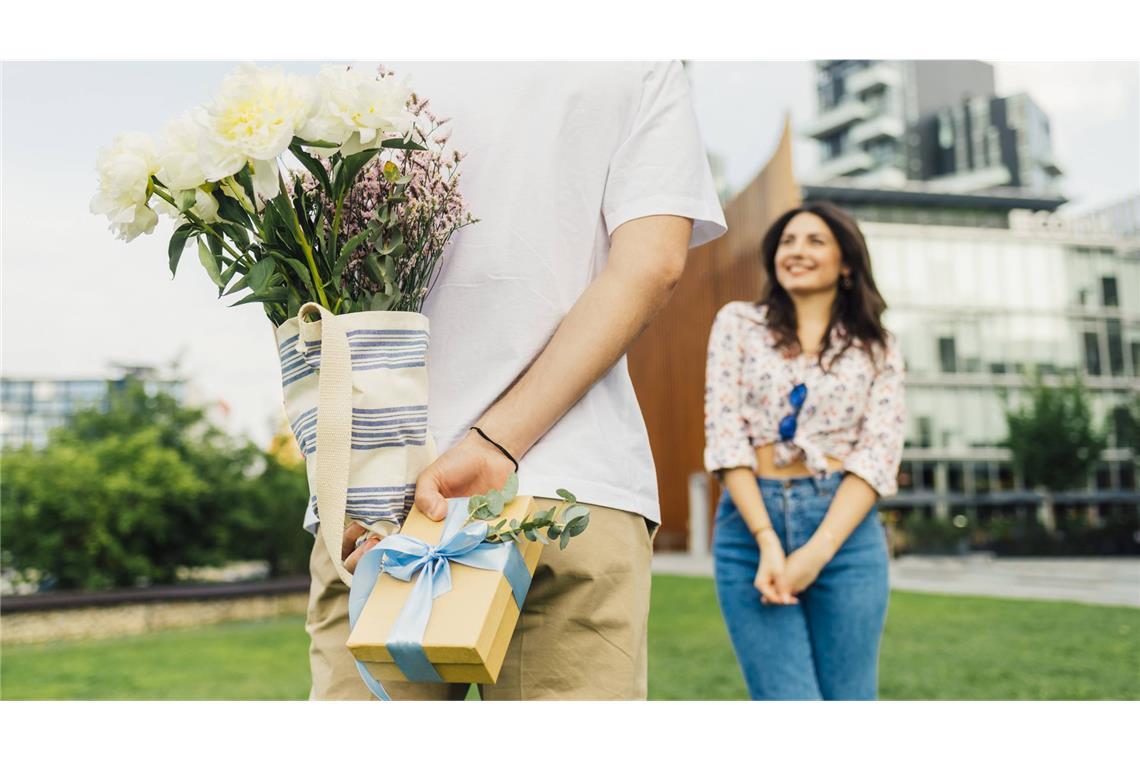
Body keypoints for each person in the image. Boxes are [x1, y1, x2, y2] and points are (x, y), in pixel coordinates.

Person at [307, 61, 726, 700]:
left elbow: (309, 286)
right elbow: (651, 265)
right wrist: (497, 444)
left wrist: (339, 469)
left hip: (384, 493)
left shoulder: (365, 58)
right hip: (568, 477)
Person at [703, 201, 906, 700]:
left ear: (847, 264)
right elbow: (725, 435)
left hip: (845, 532)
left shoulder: (877, 346)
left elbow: (878, 453)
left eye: (815, 241)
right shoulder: (737, 324)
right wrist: (768, 540)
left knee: (850, 702)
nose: (797, 251)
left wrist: (816, 553)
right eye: (788, 241)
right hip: (749, 526)